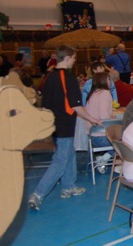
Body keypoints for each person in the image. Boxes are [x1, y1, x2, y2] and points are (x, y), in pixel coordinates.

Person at [28, 45, 102, 211]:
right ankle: (38, 194)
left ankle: (68, 186)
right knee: (60, 160)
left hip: (53, 124)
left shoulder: (49, 77)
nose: (74, 61)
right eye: (74, 58)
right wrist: (91, 118)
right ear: (67, 58)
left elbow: (44, 102)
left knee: (69, 152)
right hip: (64, 124)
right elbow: (76, 106)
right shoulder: (68, 78)